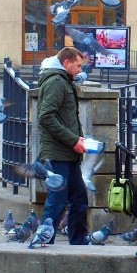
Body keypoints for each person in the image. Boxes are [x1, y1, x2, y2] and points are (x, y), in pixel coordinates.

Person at [37, 46, 90, 244]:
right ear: (66, 63)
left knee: (79, 197)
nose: (79, 70)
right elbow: (46, 117)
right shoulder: (56, 83)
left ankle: (78, 239)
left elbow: (65, 118)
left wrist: (79, 139)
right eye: (77, 66)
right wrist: (73, 139)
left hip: (68, 153)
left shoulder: (65, 81)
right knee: (57, 201)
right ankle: (45, 241)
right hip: (58, 154)